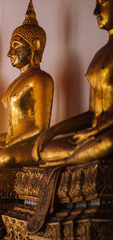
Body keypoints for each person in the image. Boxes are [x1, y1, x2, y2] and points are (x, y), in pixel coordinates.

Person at [0, 0, 53, 171]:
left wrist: (8, 145)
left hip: (28, 146)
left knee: (4, 157)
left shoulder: (41, 79)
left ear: (34, 45)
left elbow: (41, 127)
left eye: (15, 46)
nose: (9, 53)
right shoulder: (14, 84)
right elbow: (9, 134)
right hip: (11, 145)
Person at [32, 0, 113, 166]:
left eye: (103, 2)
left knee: (108, 142)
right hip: (93, 136)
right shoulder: (100, 55)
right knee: (45, 149)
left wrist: (95, 132)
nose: (96, 11)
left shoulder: (41, 79)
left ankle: (68, 160)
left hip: (104, 135)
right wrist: (52, 132)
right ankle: (75, 157)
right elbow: (92, 112)